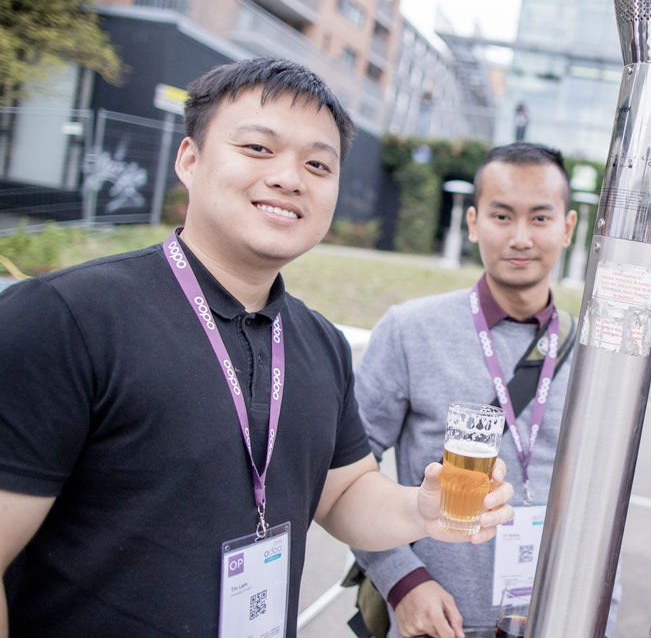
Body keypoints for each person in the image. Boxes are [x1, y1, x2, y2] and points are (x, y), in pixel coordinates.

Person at [0, 58, 514, 637]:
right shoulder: (65, 318)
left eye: (318, 164)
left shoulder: (320, 342)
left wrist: (421, 508)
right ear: (190, 159)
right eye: (258, 148)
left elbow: (343, 493)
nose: (290, 178)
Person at [352, 142, 620, 637]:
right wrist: (401, 582)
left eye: (540, 218)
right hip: (437, 625)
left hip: (554, 622)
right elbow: (345, 470)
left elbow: (603, 503)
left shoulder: (596, 355)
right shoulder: (410, 331)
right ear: (473, 222)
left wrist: (603, 609)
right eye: (501, 216)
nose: (520, 237)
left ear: (568, 228)